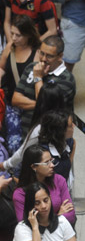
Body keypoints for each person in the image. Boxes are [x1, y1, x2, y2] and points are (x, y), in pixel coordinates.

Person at [15, 36, 74, 137]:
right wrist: (39, 104)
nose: (43, 59)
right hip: (23, 132)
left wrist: (38, 78)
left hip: (49, 136)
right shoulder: (31, 67)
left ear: (60, 56)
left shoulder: (66, 80)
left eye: (49, 56)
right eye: (41, 53)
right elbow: (15, 100)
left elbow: (45, 108)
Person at [0, 15, 40, 154]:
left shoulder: (37, 52)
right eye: (12, 34)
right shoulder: (9, 48)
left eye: (18, 35)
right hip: (11, 103)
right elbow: (2, 69)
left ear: (29, 34)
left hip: (30, 104)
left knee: (31, 141)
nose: (14, 38)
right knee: (13, 142)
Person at [13, 143, 74, 225]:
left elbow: (71, 215)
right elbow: (24, 227)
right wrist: (58, 216)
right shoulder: (20, 194)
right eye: (47, 163)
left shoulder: (59, 180)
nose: (52, 165)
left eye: (51, 161)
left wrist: (44, 222)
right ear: (34, 167)